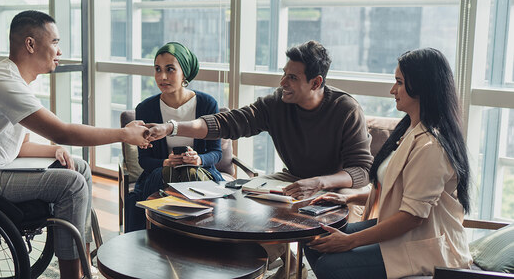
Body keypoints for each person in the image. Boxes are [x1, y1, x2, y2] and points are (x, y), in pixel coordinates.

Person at [0, 10, 150, 279]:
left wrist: (54, 151)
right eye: (54, 42)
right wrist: (123, 134)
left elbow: (19, 147)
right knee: (71, 185)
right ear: (30, 44)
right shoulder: (3, 82)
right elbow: (62, 131)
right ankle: (71, 276)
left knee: (80, 167)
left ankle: (84, 263)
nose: (59, 51)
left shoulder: (17, 81)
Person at [145, 40, 373, 279]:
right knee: (243, 194)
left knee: (332, 215)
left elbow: (361, 171)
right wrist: (173, 127)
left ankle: (310, 268)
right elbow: (228, 122)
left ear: (316, 82)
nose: (283, 82)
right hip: (294, 176)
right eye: (284, 74)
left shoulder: (345, 108)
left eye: (292, 78)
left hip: (340, 184)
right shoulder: (277, 104)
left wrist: (319, 183)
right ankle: (288, 265)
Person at [303, 48, 472, 279]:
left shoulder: (431, 146)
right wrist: (349, 197)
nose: (393, 90)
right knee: (314, 240)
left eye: (399, 82)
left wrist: (349, 241)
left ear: (422, 87)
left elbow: (413, 216)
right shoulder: (410, 131)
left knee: (330, 266)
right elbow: (399, 191)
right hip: (410, 233)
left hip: (426, 245)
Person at [124, 42, 224, 232]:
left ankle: (182, 239)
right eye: (157, 69)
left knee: (189, 174)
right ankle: (183, 238)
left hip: (201, 173)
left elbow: (216, 153)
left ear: (184, 73)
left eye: (170, 69)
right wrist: (165, 163)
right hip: (159, 176)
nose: (162, 77)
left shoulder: (207, 104)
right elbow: (144, 160)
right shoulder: (145, 108)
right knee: (172, 178)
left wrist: (199, 159)